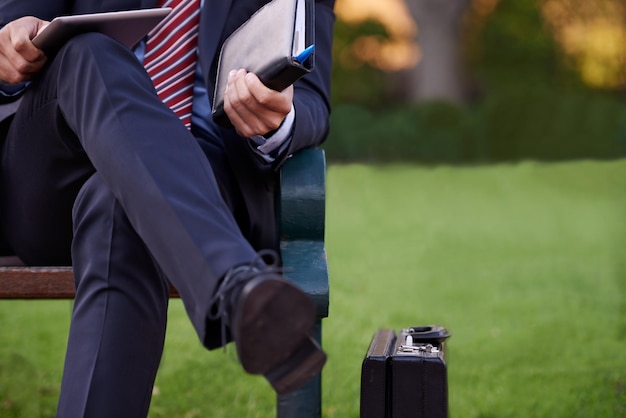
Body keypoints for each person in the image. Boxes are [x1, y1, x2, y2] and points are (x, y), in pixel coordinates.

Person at [0, 0, 334, 416]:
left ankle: (239, 292)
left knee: (117, 204)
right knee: (89, 49)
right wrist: (7, 49)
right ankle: (233, 286)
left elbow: (313, 100)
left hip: (199, 169)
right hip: (54, 167)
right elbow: (8, 29)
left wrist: (277, 117)